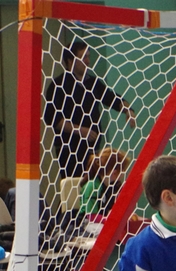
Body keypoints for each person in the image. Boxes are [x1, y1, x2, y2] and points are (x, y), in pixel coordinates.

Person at [43, 39, 136, 180]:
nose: (87, 61)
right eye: (83, 57)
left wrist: (128, 110)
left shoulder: (92, 83)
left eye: (88, 56)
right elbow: (53, 119)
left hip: (93, 150)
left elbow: (112, 98)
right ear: (70, 61)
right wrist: (80, 130)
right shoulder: (58, 85)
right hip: (70, 151)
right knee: (75, 186)